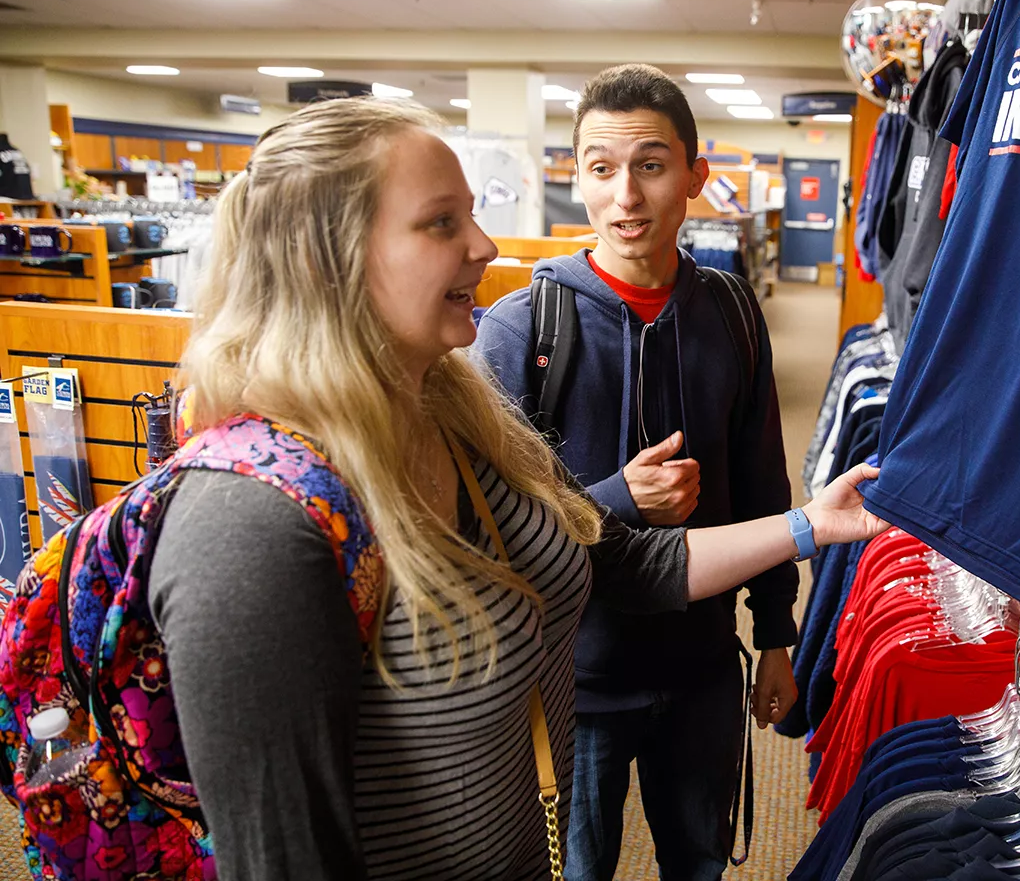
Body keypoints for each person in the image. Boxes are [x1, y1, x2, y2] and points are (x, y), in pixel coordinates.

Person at [150, 95, 885, 881]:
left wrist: (810, 528)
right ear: (324, 258)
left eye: (470, 214)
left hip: (641, 724)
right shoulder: (248, 517)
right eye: (443, 223)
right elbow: (282, 855)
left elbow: (619, 557)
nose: (485, 244)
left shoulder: (455, 414)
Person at [472, 64, 796, 881]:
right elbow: (485, 525)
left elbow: (762, 481)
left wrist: (777, 635)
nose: (625, 196)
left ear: (695, 176)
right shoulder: (521, 329)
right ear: (577, 176)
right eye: (601, 168)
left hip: (703, 672)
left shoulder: (731, 312)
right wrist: (618, 498)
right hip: (572, 686)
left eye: (650, 166)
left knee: (699, 863)